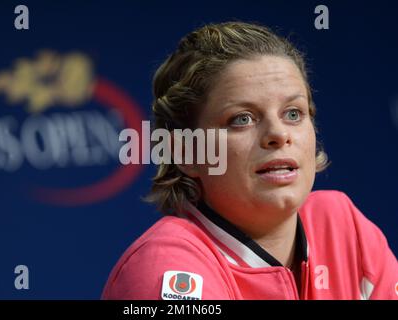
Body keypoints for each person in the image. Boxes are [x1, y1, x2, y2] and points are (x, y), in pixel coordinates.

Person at [102, 21, 398, 300]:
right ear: (187, 153)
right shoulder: (165, 270)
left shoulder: (340, 223)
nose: (279, 134)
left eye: (293, 113)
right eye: (241, 119)